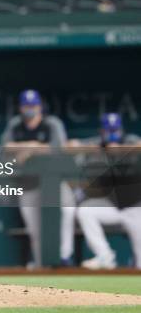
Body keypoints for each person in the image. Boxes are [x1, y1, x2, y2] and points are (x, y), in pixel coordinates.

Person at [1, 89, 70, 268]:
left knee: (67, 212)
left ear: (40, 106)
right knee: (35, 229)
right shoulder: (15, 125)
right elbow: (5, 148)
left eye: (33, 105)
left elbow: (58, 147)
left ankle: (63, 257)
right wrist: (31, 147)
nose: (30, 109)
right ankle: (43, 266)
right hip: (28, 184)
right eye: (26, 106)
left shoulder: (51, 124)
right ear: (21, 108)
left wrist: (31, 148)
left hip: (53, 182)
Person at [71, 113, 141, 269]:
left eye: (115, 130)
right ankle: (105, 256)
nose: (112, 134)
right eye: (108, 131)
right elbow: (71, 144)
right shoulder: (97, 144)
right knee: (86, 211)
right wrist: (90, 148)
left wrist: (124, 150)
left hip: (136, 208)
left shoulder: (130, 141)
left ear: (121, 130)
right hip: (112, 206)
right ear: (102, 131)